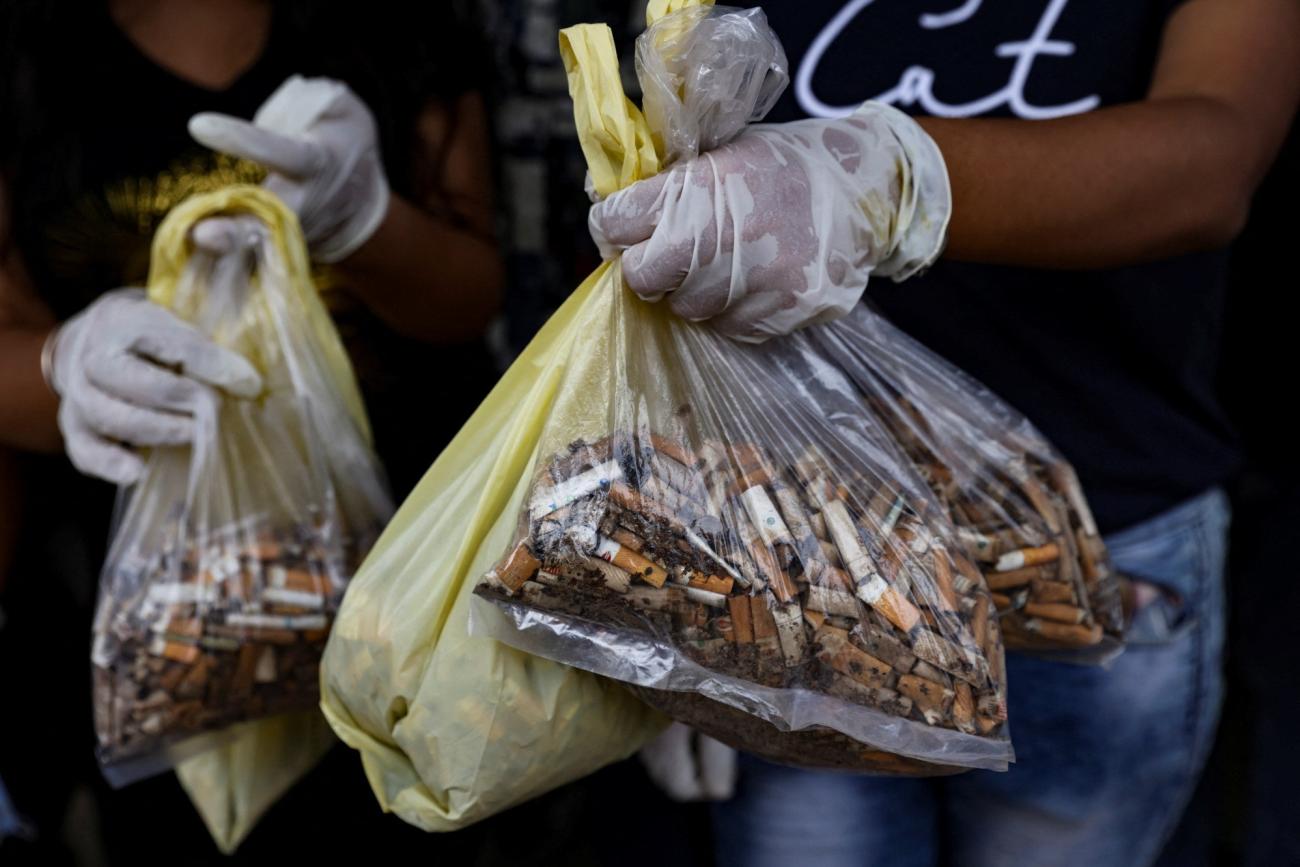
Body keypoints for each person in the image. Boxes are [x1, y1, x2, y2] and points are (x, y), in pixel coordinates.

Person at [586, 1, 1300, 865]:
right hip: (793, 559)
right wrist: (674, 577)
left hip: (1093, 545)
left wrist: (890, 177)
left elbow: (1213, 159)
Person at [0, 0, 501, 861]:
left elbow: (472, 299)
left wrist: (367, 221)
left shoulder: (401, 38)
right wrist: (63, 367)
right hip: (173, 632)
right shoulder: (24, 61)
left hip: (424, 604)